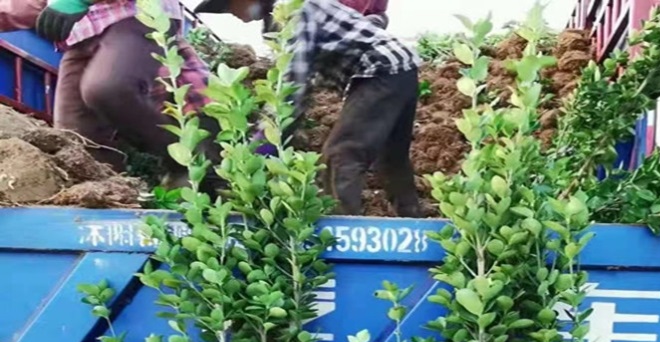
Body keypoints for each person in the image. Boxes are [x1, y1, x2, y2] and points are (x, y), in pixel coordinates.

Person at [196, 0, 421, 217]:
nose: (230, 12)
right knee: (392, 158)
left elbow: (293, 88)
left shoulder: (291, 12)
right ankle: (413, 223)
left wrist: (260, 147)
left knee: (342, 154)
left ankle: (343, 232)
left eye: (229, 4)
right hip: (400, 66)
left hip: (381, 68)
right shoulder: (279, 18)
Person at [25, 0, 214, 181]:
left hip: (134, 17)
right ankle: (107, 196)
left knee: (109, 88)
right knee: (75, 135)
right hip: (78, 36)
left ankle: (186, 160)